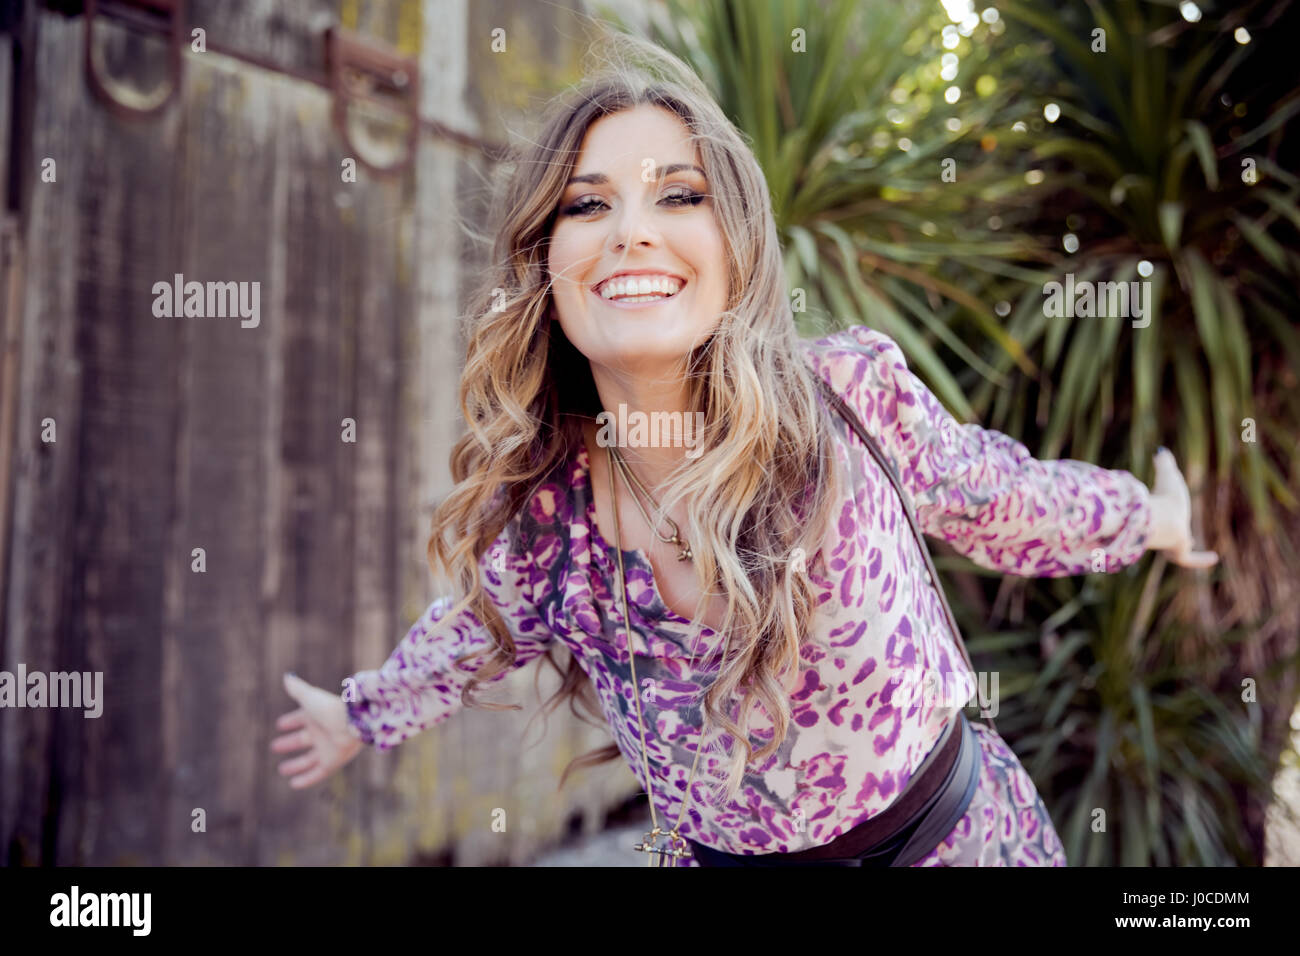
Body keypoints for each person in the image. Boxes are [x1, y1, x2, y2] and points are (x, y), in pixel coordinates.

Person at [270, 34, 1217, 866]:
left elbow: (1003, 497)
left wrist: (1154, 516)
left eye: (678, 194)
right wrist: (356, 716)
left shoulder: (847, 400)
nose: (633, 231)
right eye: (586, 206)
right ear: (545, 268)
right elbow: (465, 637)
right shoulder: (550, 524)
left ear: (737, 250)